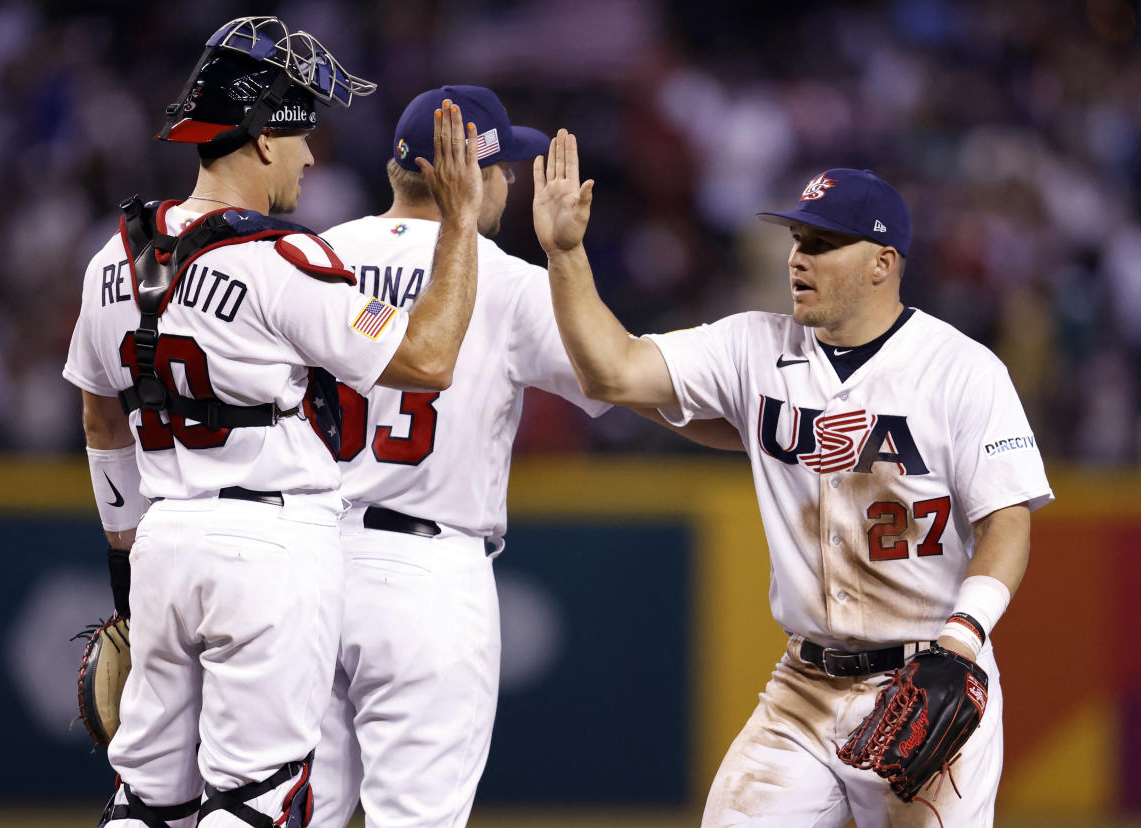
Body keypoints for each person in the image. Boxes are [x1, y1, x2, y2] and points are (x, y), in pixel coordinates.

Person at [533, 132, 1053, 828]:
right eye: (797, 239)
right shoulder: (754, 345)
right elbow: (614, 372)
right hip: (802, 687)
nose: (797, 258)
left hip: (926, 673)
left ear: (882, 263)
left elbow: (1007, 520)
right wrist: (566, 255)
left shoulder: (961, 370)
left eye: (822, 244)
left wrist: (963, 640)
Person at [62, 17, 484, 828]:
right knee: (255, 799)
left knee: (146, 797)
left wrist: (124, 548)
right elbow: (428, 361)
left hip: (162, 542)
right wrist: (459, 225)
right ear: (261, 140)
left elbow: (97, 410)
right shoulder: (284, 261)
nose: (310, 157)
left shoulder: (111, 258)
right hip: (270, 545)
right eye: (301, 138)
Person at [305, 86, 611, 828]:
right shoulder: (503, 279)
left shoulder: (315, 260)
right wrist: (566, 258)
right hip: (428, 574)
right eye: (504, 167)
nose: (510, 181)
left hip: (306, 566)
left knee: (291, 814)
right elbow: (617, 376)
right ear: (474, 176)